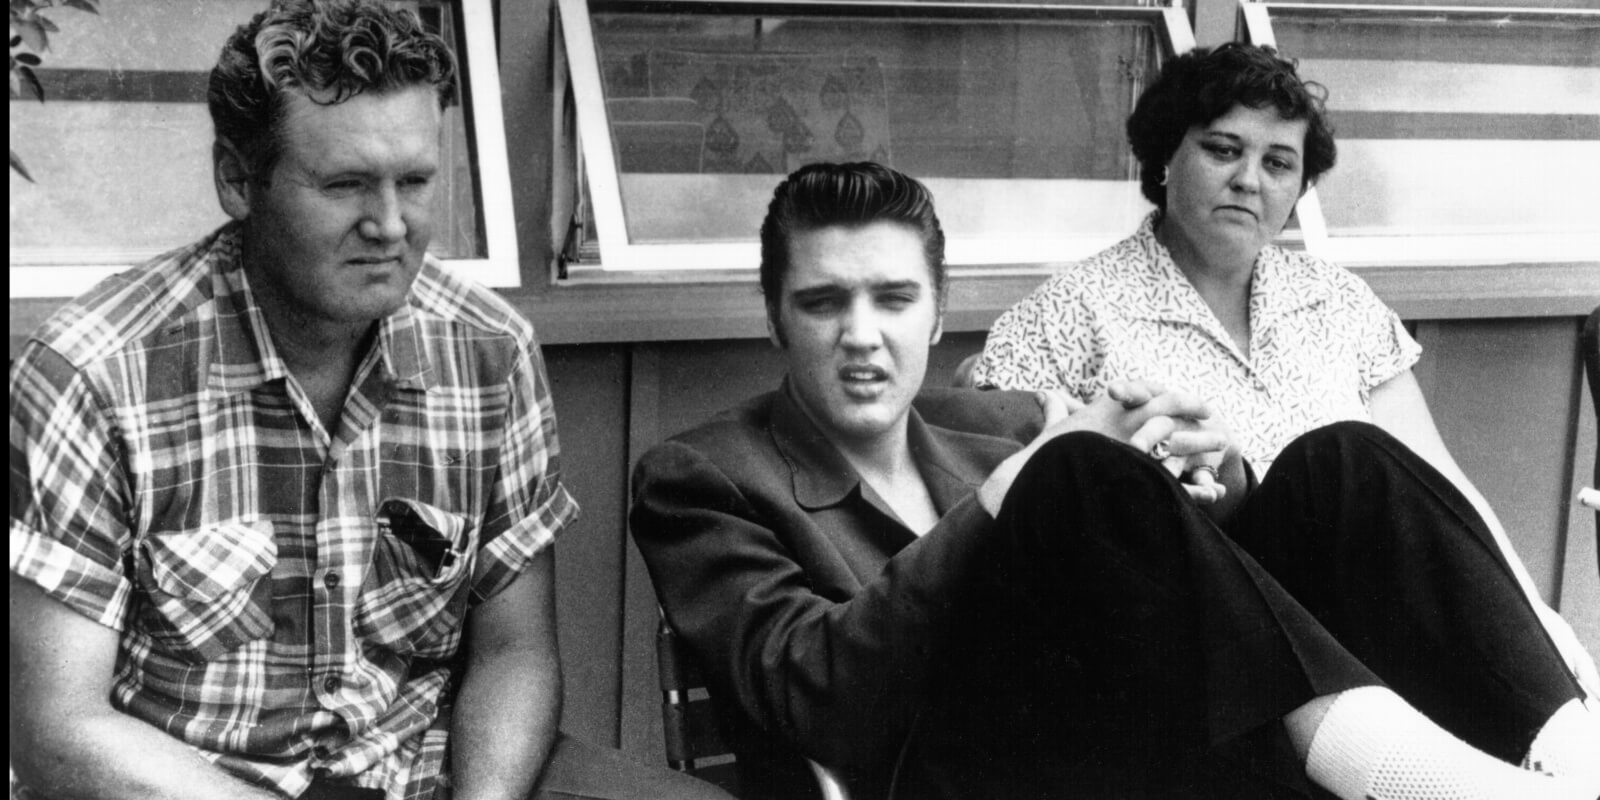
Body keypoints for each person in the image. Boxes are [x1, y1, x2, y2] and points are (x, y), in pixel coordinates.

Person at [628, 161, 1600, 800]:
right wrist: (1030, 480)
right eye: (821, 302)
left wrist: (1224, 482)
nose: (860, 333)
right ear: (772, 320)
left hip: (1142, 747)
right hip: (954, 775)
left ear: (935, 317)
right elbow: (818, 691)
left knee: (1338, 459)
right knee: (1072, 469)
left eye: (892, 298)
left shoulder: (996, 420)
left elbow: (1177, 584)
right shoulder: (701, 477)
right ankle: (1430, 779)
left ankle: (1571, 756)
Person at [7, 3, 730, 799]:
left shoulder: (489, 351)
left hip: (423, 770)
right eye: (345, 184)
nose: (390, 225)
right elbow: (59, 731)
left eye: (415, 182)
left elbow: (514, 653)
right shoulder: (92, 374)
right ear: (238, 180)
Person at [972, 41, 1599, 703]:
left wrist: (1552, 636)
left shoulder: (1339, 301)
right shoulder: (1069, 312)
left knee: (1357, 463)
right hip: (1200, 639)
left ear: (1298, 189)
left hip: (1378, 633)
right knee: (1339, 460)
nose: (1249, 179)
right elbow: (1013, 511)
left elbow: (1447, 499)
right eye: (1222, 150)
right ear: (1162, 159)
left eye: (1278, 163)